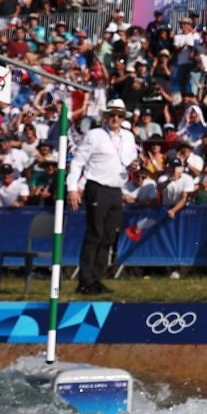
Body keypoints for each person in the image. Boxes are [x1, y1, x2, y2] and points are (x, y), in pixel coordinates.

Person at [67, 98, 138, 295]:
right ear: (105, 117)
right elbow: (78, 161)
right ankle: (85, 280)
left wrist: (135, 165)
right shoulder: (94, 135)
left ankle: (96, 279)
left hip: (117, 189)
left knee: (108, 236)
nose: (115, 118)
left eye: (119, 115)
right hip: (97, 186)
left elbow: (131, 159)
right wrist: (73, 187)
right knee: (94, 233)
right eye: (112, 114)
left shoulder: (128, 137)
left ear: (123, 118)